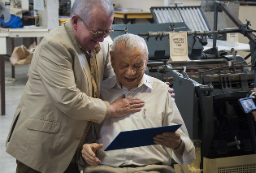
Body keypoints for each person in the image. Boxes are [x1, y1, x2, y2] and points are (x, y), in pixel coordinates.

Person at [5, 1, 174, 173]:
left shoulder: (103, 41)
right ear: (75, 21)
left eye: (107, 31)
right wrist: (112, 109)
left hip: (73, 145)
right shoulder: (54, 46)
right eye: (97, 32)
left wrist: (154, 88)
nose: (102, 38)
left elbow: (116, 79)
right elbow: (69, 100)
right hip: (43, 146)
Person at [79, 34, 196, 173]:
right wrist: (86, 148)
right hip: (106, 169)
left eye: (137, 65)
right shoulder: (98, 92)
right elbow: (86, 137)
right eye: (123, 65)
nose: (130, 72)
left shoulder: (161, 91)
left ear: (146, 61)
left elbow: (189, 152)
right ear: (112, 59)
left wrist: (178, 145)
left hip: (154, 169)